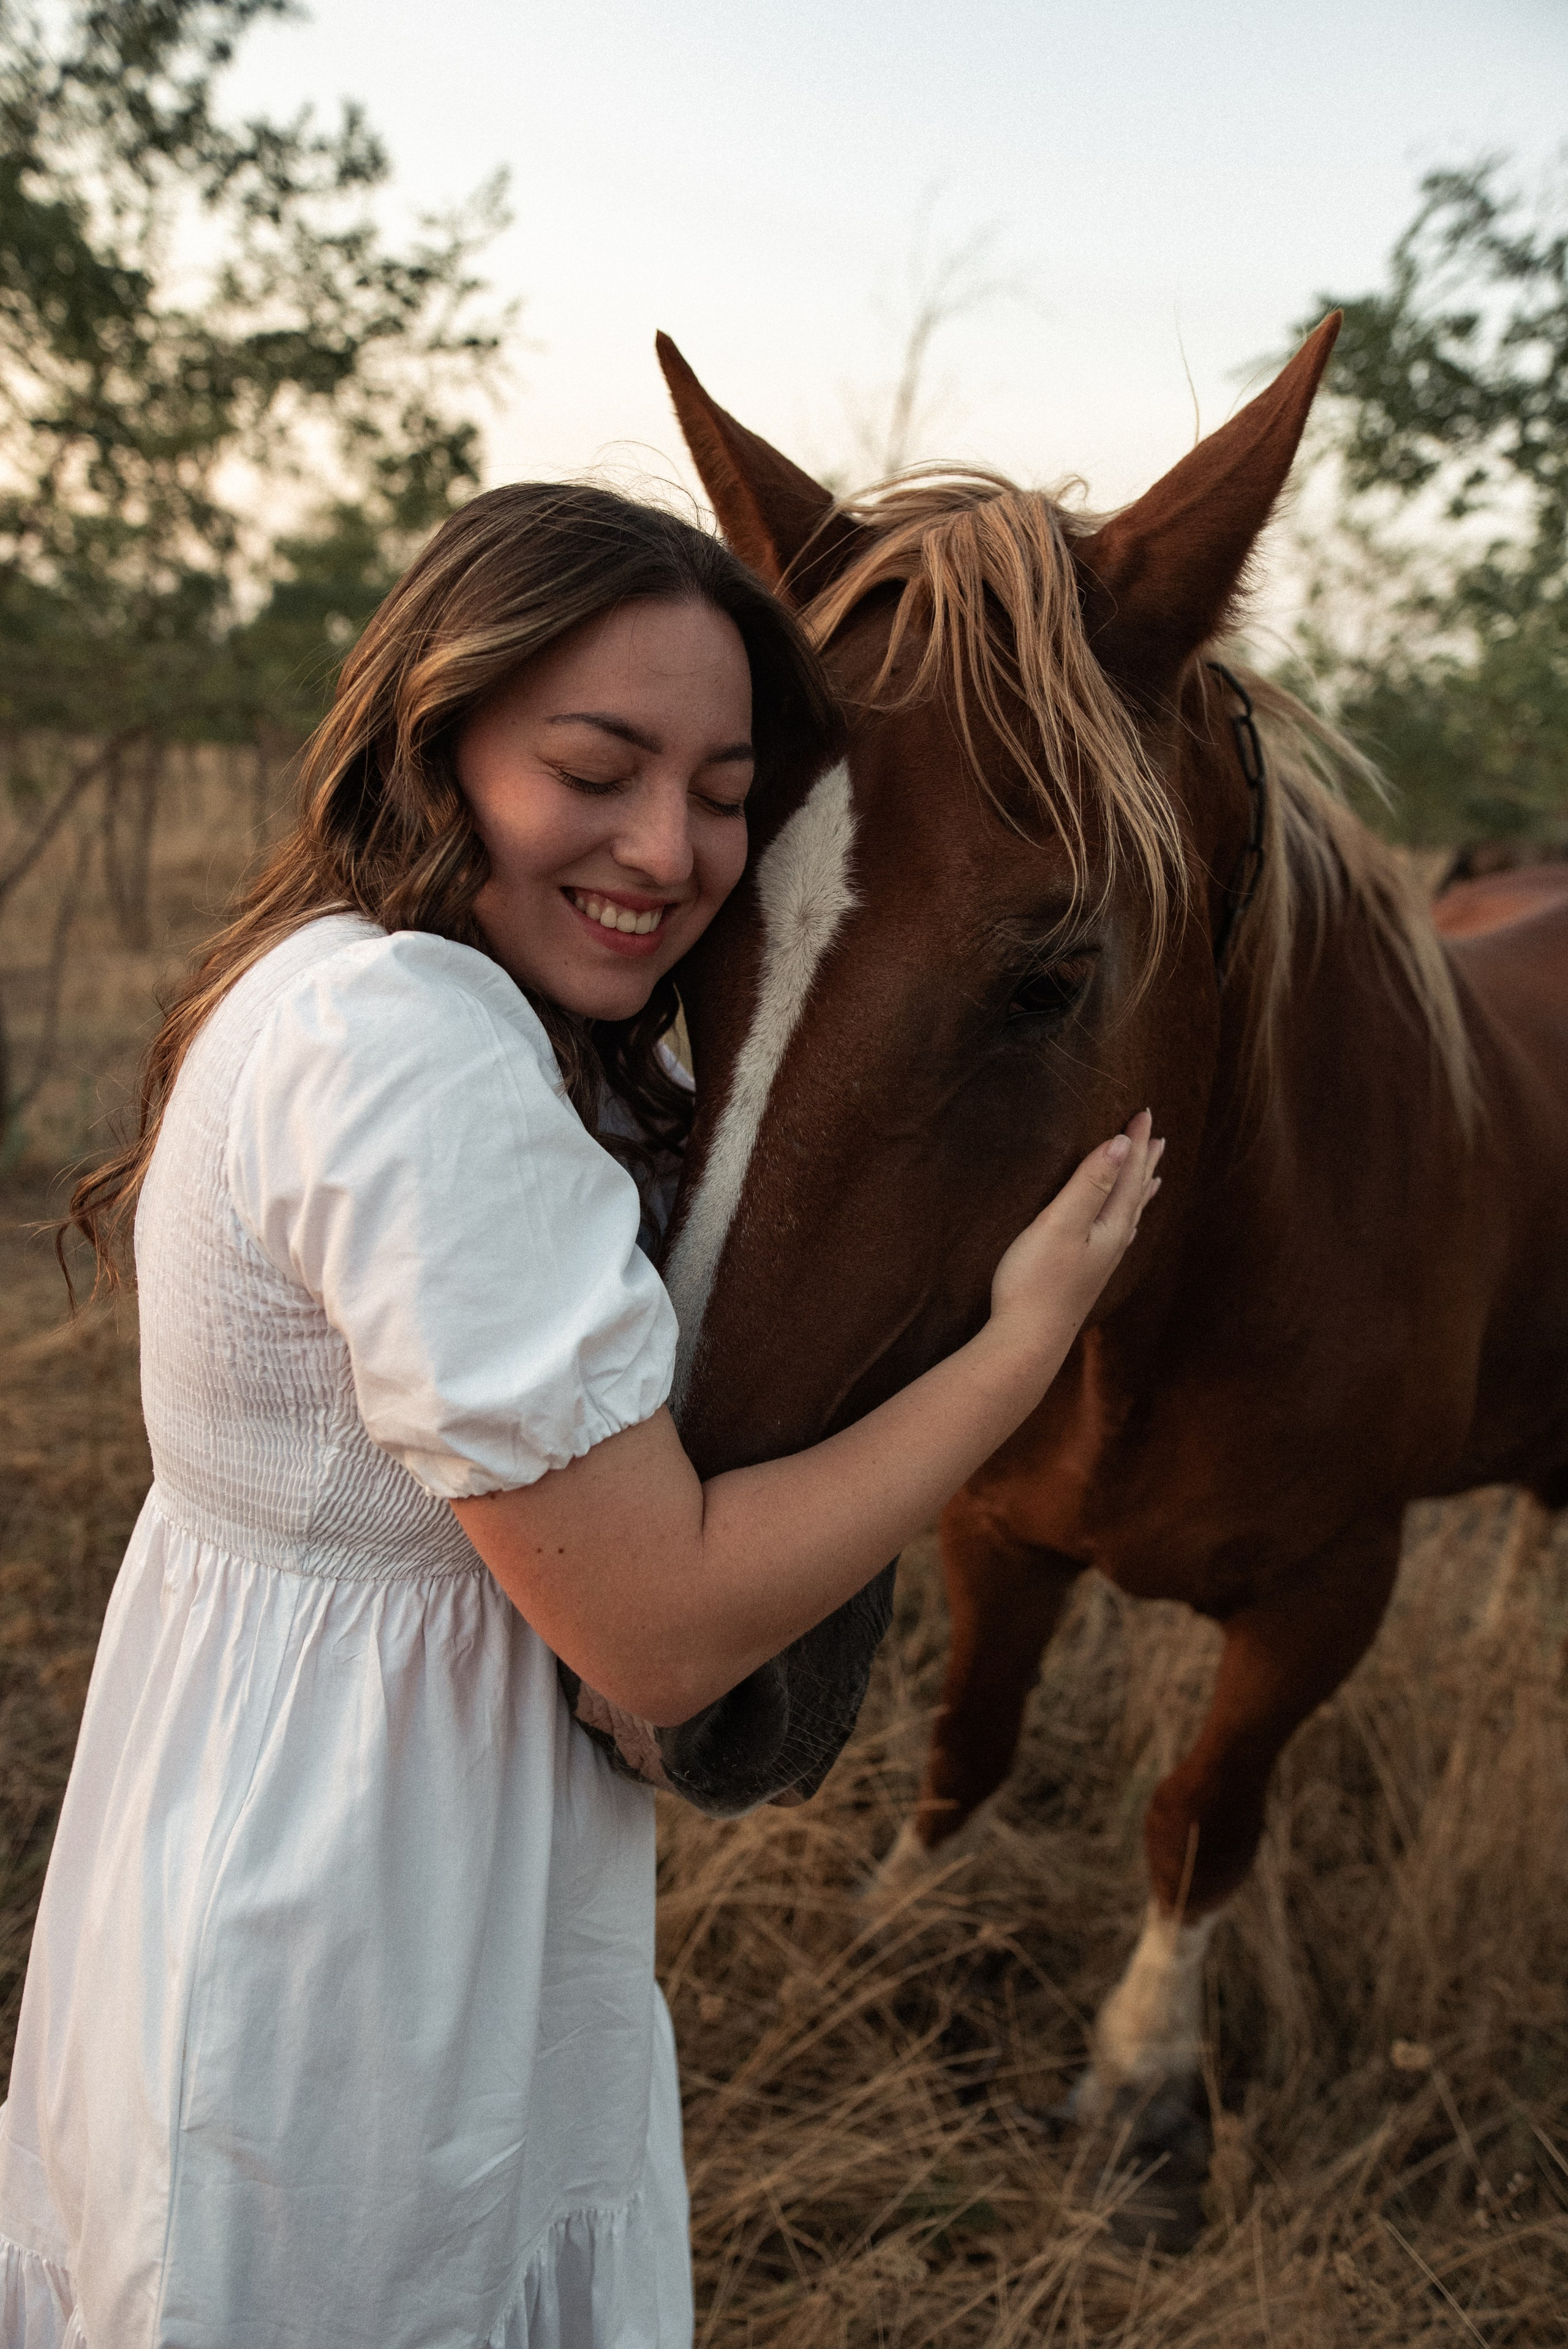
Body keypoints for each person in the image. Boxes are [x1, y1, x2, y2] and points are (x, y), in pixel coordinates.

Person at [0, 483, 1160, 2348]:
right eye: (598, 766)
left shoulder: (385, 993)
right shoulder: (413, 1054)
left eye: (724, 790)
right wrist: (1018, 1352)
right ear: (435, 733)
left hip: (347, 1848)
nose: (670, 846)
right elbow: (657, 1626)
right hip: (356, 1944)